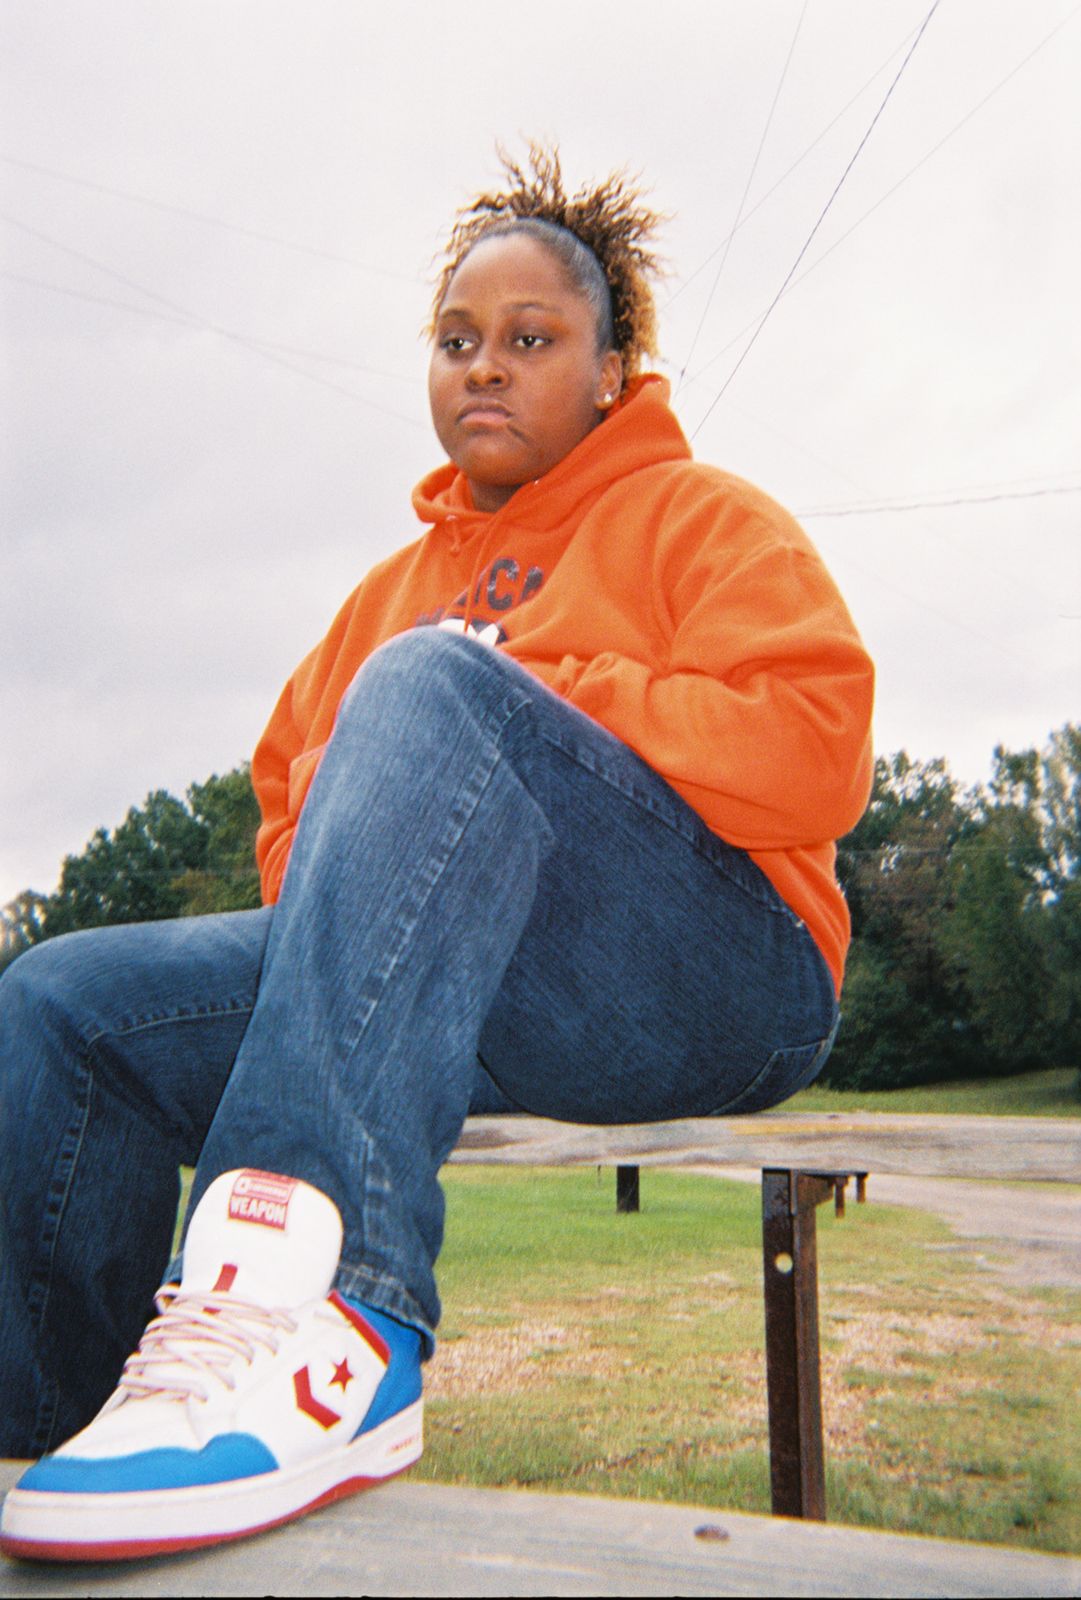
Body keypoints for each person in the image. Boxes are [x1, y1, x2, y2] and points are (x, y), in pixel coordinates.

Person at [0, 145, 874, 1562]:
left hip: (718, 970)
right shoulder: (389, 595)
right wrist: (384, 891)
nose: (485, 368)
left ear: (611, 369)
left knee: (432, 685)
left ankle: (331, 1318)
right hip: (469, 998)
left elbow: (815, 750)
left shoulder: (703, 520)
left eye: (532, 340)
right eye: (458, 341)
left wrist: (531, 687)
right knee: (65, 1001)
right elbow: (289, 810)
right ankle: (95, 1433)